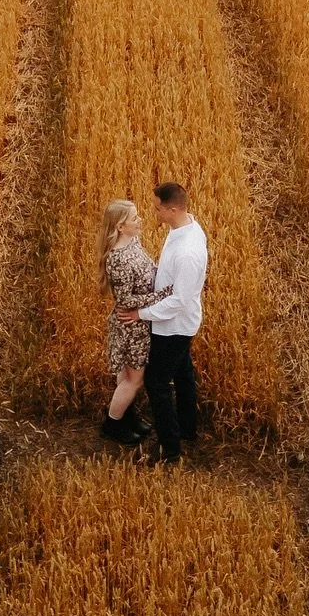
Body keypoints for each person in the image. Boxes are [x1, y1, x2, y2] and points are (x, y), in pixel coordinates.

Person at [118, 181, 206, 464]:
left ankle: (170, 449)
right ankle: (188, 429)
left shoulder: (188, 252)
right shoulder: (184, 226)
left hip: (175, 326)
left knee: (156, 382)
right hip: (178, 322)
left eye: (158, 209)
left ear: (173, 208)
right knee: (182, 374)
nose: (154, 213)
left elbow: (179, 300)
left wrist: (139, 314)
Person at [99, 199, 155, 445]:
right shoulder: (118, 259)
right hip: (130, 325)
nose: (139, 220)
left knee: (127, 377)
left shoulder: (134, 241)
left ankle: (126, 416)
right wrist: (162, 294)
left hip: (138, 322)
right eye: (134, 219)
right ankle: (112, 424)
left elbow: (148, 267)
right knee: (134, 379)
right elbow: (125, 300)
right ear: (120, 226)